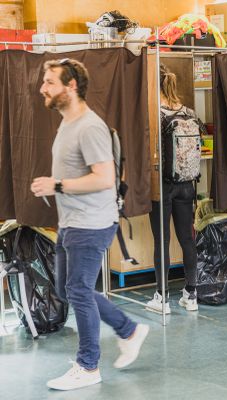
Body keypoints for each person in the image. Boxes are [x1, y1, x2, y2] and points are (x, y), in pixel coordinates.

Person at [31, 58, 149, 390]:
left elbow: (105, 178)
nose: (43, 87)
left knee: (78, 290)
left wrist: (56, 186)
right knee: (65, 287)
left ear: (71, 87)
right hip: (72, 221)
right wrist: (55, 184)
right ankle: (128, 329)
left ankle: (88, 366)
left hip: (92, 223)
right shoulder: (67, 124)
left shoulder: (90, 127)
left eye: (50, 82)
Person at [145, 65, 200, 314]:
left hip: (163, 185)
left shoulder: (155, 114)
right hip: (187, 183)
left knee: (163, 241)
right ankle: (191, 295)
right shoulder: (188, 111)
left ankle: (162, 298)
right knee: (187, 239)